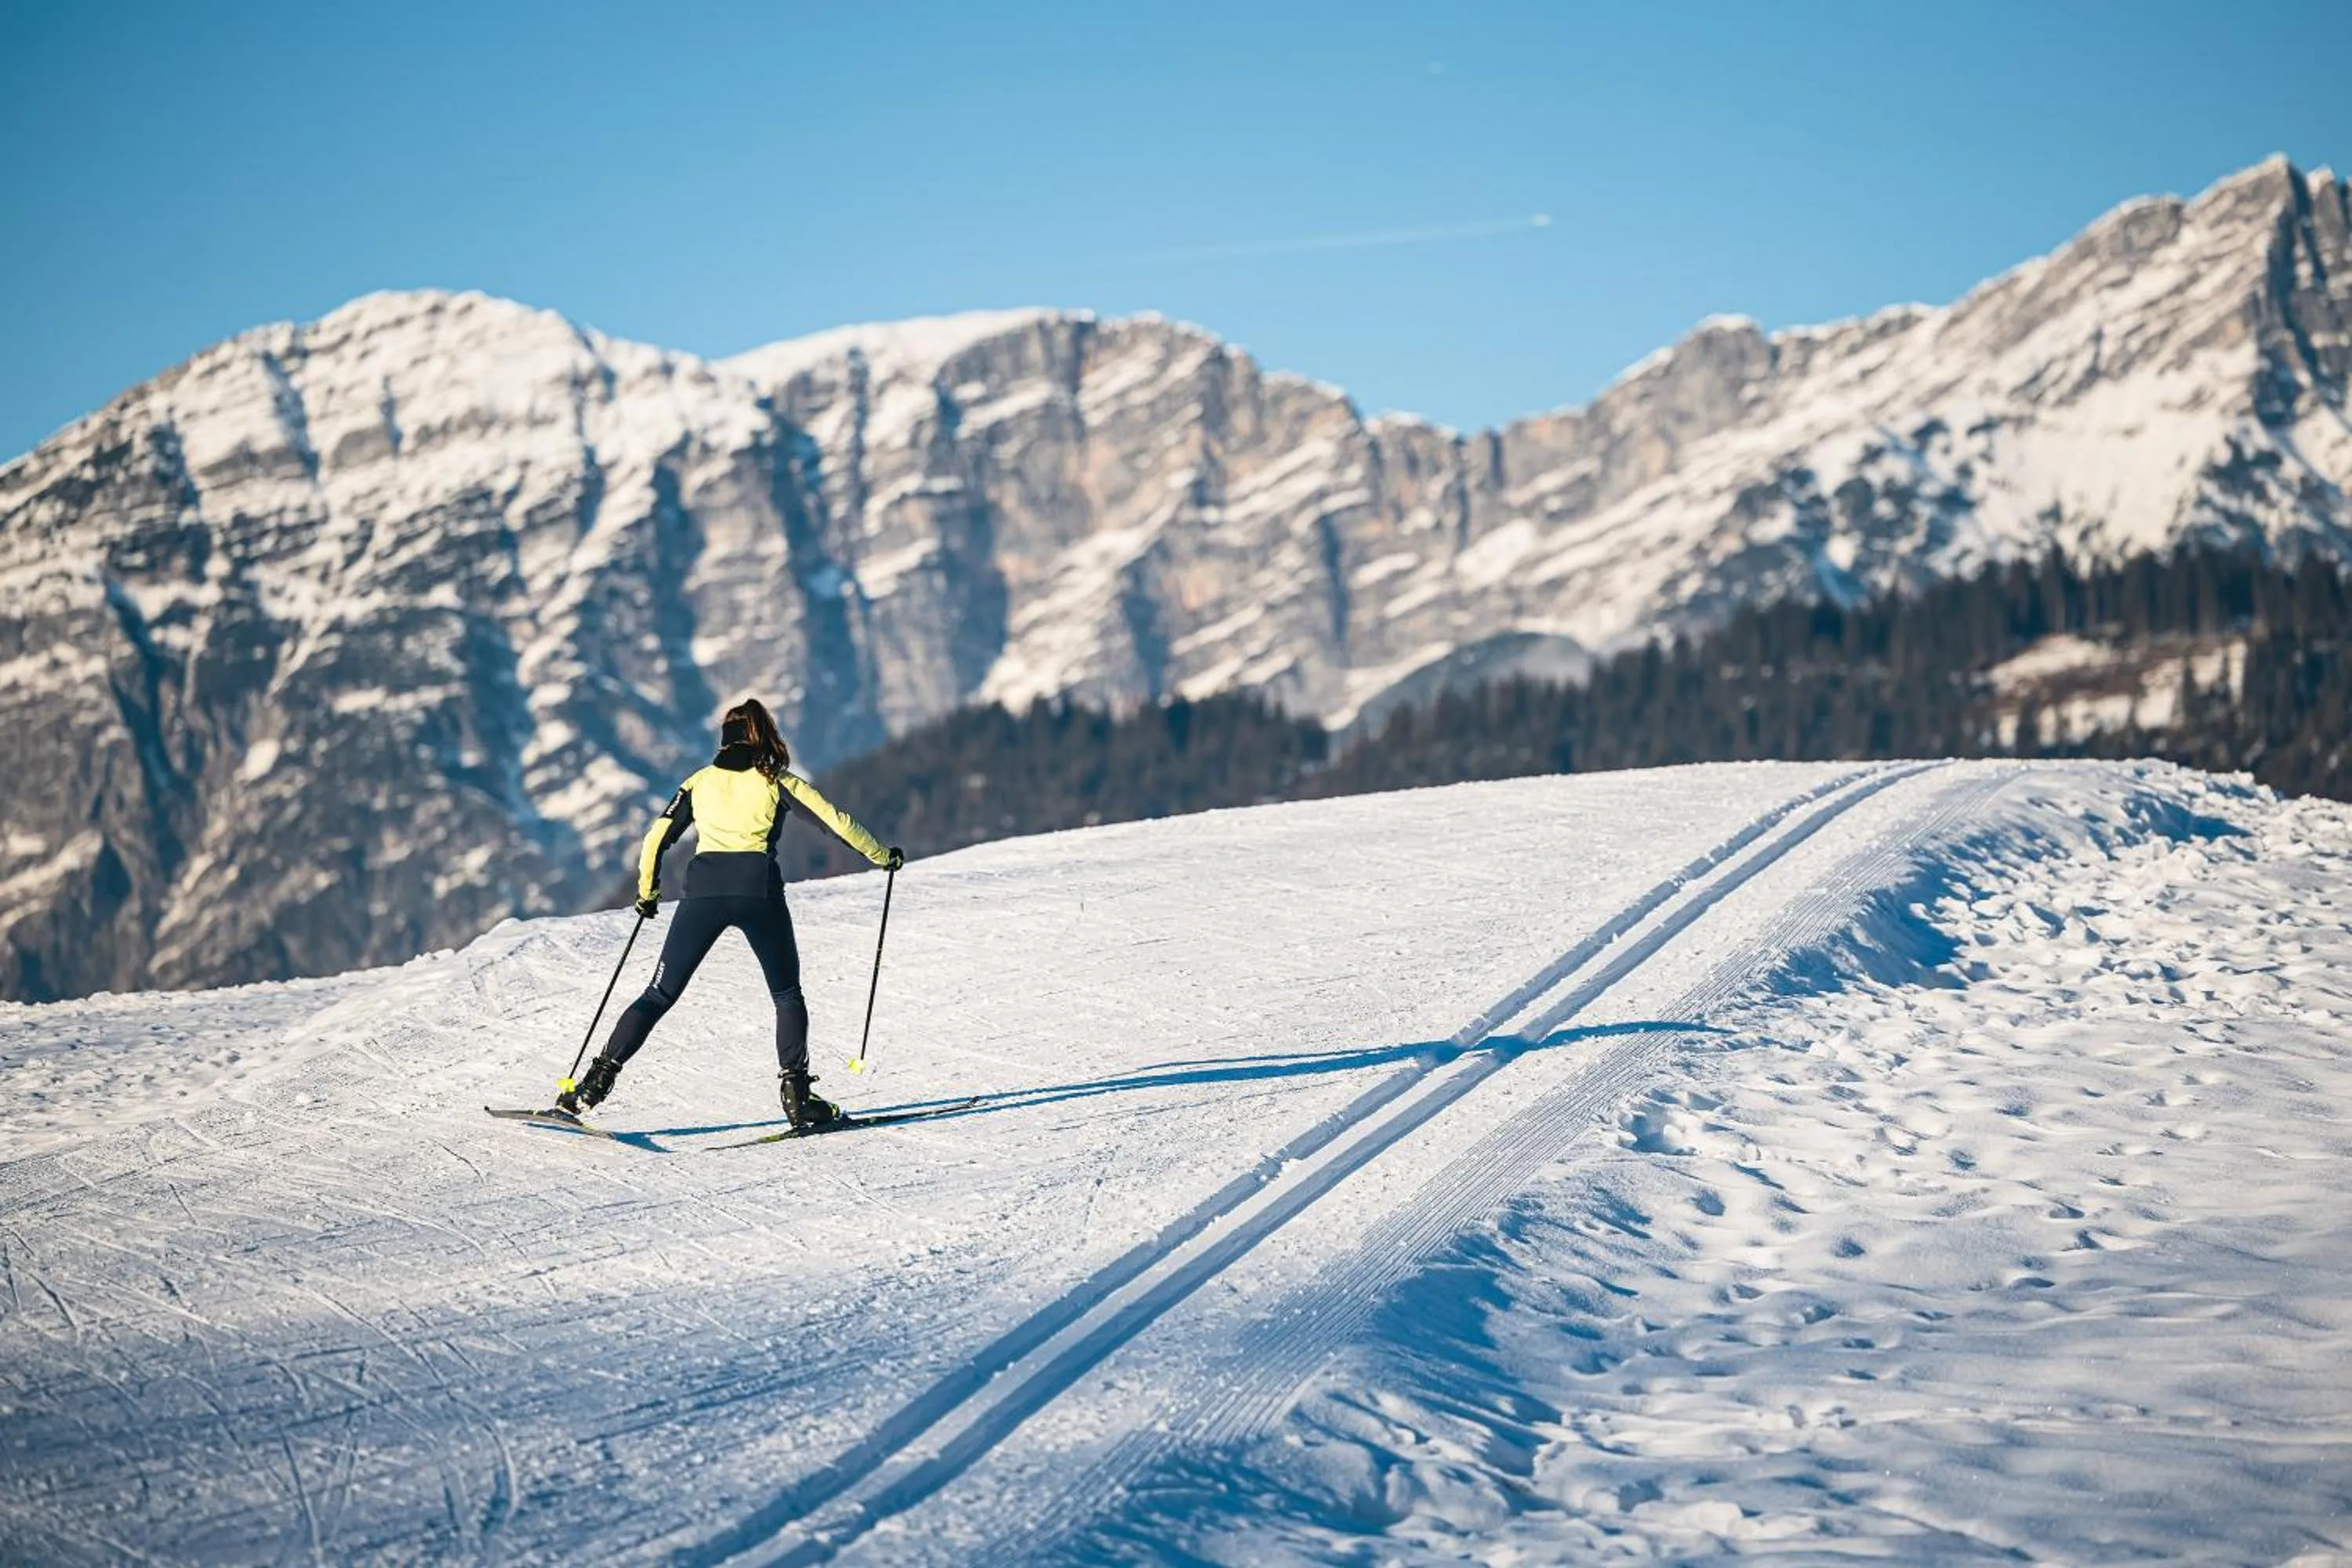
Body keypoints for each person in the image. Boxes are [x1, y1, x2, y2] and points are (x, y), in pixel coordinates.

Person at [557, 698, 903, 1130]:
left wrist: (648, 893)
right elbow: (837, 822)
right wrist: (882, 856)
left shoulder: (699, 783)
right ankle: (798, 1099)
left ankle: (589, 1089)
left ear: (725, 740)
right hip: (759, 893)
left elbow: (655, 839)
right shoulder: (777, 782)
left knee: (658, 994)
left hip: (703, 895)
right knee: (786, 994)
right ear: (765, 736)